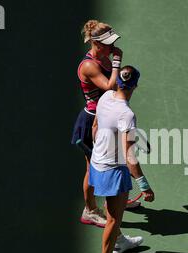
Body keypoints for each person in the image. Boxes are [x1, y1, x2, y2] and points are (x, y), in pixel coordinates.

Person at [89, 66, 155, 253]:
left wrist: (104, 148)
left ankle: (120, 242)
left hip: (97, 163)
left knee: (111, 211)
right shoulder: (127, 115)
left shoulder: (106, 96)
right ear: (135, 85)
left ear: (118, 82)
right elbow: (130, 157)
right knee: (113, 220)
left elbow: (96, 127)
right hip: (113, 171)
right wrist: (144, 186)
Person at [72, 20, 124, 228]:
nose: (112, 47)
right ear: (96, 43)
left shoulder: (103, 57)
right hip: (92, 122)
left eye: (112, 43)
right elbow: (111, 86)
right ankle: (90, 210)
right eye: (108, 43)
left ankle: (118, 198)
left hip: (106, 119)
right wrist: (118, 60)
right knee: (92, 169)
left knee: (117, 159)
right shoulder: (89, 65)